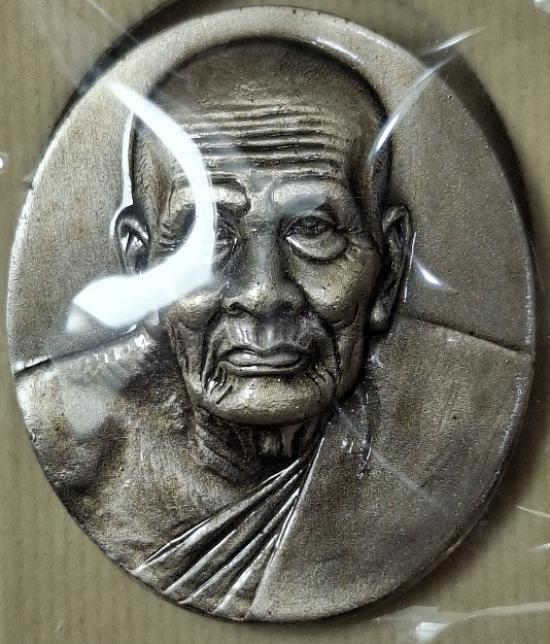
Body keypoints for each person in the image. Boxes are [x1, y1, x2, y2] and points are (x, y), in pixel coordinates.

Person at [17, 40, 521, 621]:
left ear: (390, 269)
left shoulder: (467, 422)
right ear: (140, 268)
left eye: (312, 228)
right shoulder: (74, 444)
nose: (262, 293)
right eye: (208, 237)